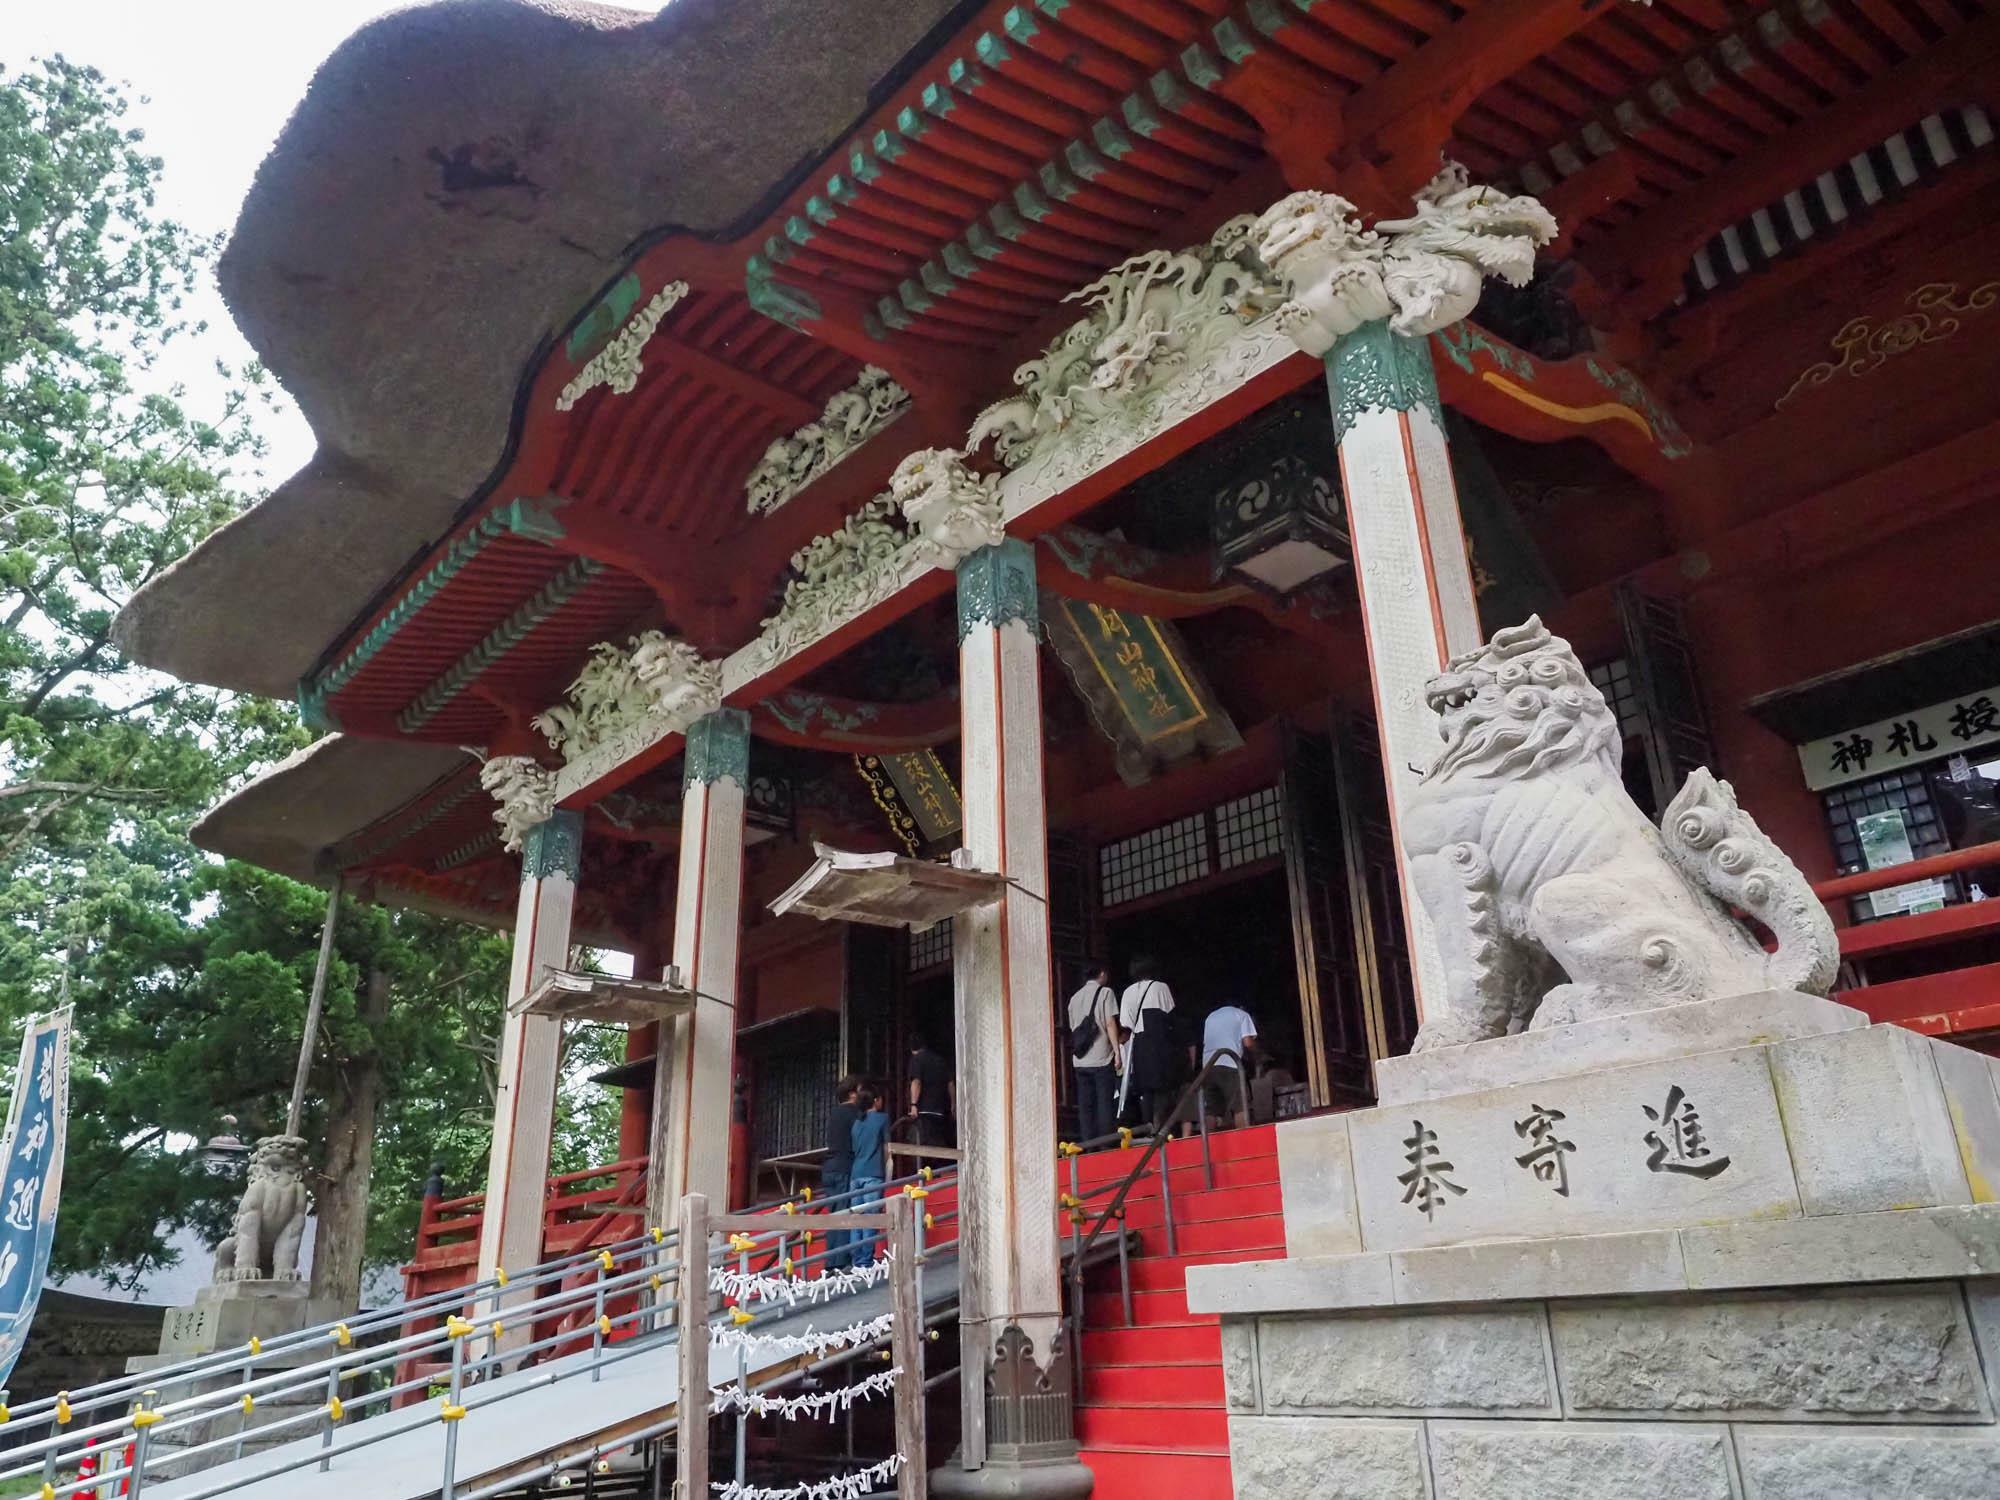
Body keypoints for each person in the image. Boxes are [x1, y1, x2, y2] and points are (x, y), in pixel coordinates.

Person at [1118, 955, 1182, 1138]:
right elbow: (1171, 1012)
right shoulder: (1160, 987)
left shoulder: (1128, 992)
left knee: (1145, 1088)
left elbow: (1125, 1023)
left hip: (1138, 1043)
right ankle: (1160, 1126)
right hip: (1159, 1041)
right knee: (1162, 1085)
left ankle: (1148, 1126)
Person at [1066, 961, 1121, 1146]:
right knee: (1104, 1102)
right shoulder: (1106, 993)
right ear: (1102, 973)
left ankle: (1088, 1146)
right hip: (1102, 1058)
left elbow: (1074, 1028)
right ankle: (1105, 1144)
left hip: (1080, 1060)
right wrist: (1117, 1052)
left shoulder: (1074, 998)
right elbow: (1110, 1023)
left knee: (1086, 1105)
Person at [822, 1075, 862, 1273]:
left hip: (829, 1166)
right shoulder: (855, 1114)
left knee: (834, 1214)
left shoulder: (833, 1114)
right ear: (853, 1094)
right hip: (845, 1166)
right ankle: (838, 1262)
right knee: (844, 1212)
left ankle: (831, 1260)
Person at [847, 1083, 890, 1267]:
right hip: (873, 1172)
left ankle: (858, 1261)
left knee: (857, 1219)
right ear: (875, 1101)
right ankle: (866, 1261)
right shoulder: (882, 1119)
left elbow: (855, 1148)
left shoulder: (857, 1124)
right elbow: (887, 1148)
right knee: (871, 1217)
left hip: (856, 1173)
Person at [1198, 1001, 1258, 1129]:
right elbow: (1248, 1043)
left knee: (1212, 1109)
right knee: (1240, 1105)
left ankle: (1209, 1141)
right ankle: (1244, 1138)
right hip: (1229, 1063)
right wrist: (1258, 1052)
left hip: (1208, 1065)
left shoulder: (1211, 1017)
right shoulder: (1242, 1014)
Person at [906, 1033, 954, 1148]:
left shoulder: (916, 1059)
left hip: (924, 1111)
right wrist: (953, 1104)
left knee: (919, 1145)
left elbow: (916, 1082)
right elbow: (950, 1084)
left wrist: (913, 1105)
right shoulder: (940, 1060)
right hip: (940, 1110)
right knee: (938, 1145)